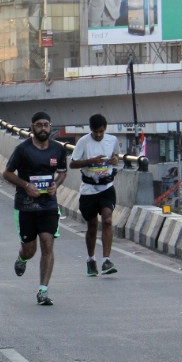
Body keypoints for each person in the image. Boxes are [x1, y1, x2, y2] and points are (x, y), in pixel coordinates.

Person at [3, 111, 68, 306]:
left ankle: (43, 290)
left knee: (48, 244)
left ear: (50, 127)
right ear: (32, 128)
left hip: (48, 204)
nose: (42, 128)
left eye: (46, 125)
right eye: (38, 125)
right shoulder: (23, 150)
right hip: (26, 206)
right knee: (30, 249)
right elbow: (7, 173)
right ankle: (22, 258)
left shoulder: (58, 150)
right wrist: (26, 186)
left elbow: (63, 172)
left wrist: (56, 184)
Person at [69, 114, 120, 277]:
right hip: (89, 189)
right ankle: (91, 260)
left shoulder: (112, 140)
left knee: (107, 220)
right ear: (90, 130)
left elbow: (116, 156)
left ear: (105, 129)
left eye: (101, 132)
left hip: (106, 187)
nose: (98, 135)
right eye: (95, 132)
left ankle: (106, 260)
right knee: (92, 226)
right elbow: (73, 163)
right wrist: (91, 161)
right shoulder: (83, 142)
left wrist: (114, 160)